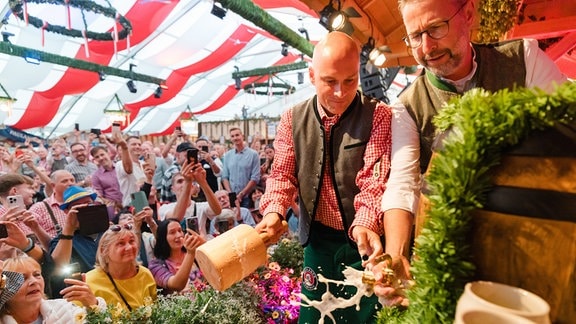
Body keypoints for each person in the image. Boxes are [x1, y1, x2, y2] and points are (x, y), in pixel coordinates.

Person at [256, 31, 412, 323]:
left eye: (350, 80)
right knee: (314, 316)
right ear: (312, 75)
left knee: (367, 316)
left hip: (363, 245)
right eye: (330, 81)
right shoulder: (292, 118)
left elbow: (375, 180)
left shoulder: (378, 115)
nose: (340, 92)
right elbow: (282, 174)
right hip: (317, 241)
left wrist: (365, 224)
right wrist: (274, 210)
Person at [0, 256, 106, 323]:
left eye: (37, 275)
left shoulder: (64, 308)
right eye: (22, 278)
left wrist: (93, 305)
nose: (33, 282)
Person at [86, 223, 157, 311]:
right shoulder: (90, 281)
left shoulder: (145, 274)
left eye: (131, 241)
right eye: (121, 243)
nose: (129, 247)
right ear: (104, 250)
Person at [158, 162, 222, 240]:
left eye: (186, 181)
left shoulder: (200, 207)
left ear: (192, 186)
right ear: (173, 189)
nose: (183, 184)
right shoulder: (165, 208)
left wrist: (203, 182)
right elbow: (175, 218)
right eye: (180, 181)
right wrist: (188, 182)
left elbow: (217, 211)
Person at [148, 218, 205, 295]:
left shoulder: (195, 253)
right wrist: (190, 253)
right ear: (163, 238)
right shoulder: (155, 265)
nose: (178, 235)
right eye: (172, 232)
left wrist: (204, 245)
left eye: (180, 230)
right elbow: (176, 285)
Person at [221, 127, 260, 208]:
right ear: (230, 139)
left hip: (248, 197)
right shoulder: (227, 155)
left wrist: (242, 194)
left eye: (237, 135)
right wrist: (230, 194)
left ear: (242, 136)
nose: (235, 138)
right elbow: (225, 177)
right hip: (232, 198)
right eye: (232, 136)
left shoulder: (253, 154)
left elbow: (255, 178)